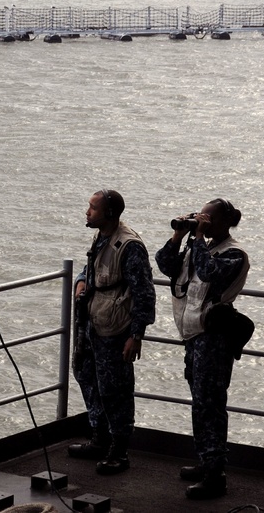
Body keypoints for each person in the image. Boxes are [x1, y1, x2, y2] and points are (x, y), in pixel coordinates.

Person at [155, 198, 249, 500]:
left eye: (207, 218)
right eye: (200, 217)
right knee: (199, 403)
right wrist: (180, 235)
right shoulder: (198, 247)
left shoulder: (234, 254)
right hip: (195, 337)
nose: (202, 222)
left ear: (224, 222)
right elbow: (165, 264)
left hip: (214, 338)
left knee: (210, 406)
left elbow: (209, 273)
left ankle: (215, 475)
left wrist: (197, 238)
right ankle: (205, 460)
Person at [69, 189, 156, 475]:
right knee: (86, 376)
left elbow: (144, 293)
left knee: (115, 390)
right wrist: (82, 281)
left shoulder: (128, 246)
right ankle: (99, 438)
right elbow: (91, 269)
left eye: (92, 208)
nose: (87, 212)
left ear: (108, 213)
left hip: (115, 328)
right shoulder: (102, 237)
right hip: (93, 323)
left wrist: (136, 335)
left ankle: (119, 451)